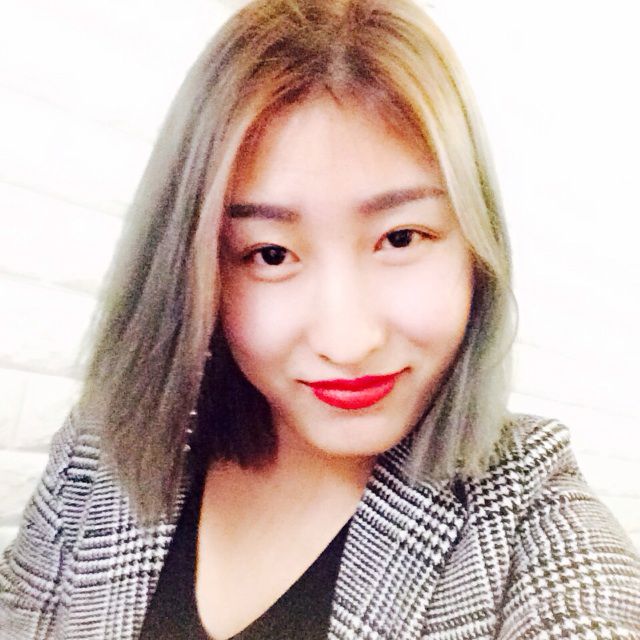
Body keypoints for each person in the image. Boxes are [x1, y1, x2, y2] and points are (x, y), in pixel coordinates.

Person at [1, 0, 639, 638]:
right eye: (270, 254)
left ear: (477, 246)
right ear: (192, 270)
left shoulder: (527, 516)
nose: (348, 342)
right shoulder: (98, 456)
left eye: (400, 238)